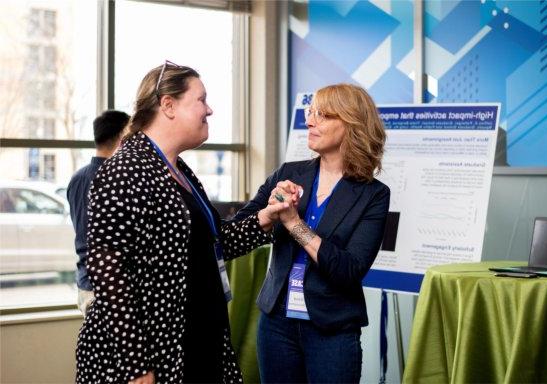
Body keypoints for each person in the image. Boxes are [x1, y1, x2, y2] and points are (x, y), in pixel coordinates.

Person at [75, 61, 288, 384]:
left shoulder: (179, 171)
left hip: (196, 343)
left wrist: (265, 218)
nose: (210, 109)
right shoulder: (125, 170)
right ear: (168, 105)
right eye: (201, 99)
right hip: (151, 357)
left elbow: (213, 245)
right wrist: (136, 366)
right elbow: (108, 270)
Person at [235, 83, 391, 383]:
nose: (309, 121)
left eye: (322, 115)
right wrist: (269, 212)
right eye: (311, 112)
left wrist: (294, 223)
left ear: (351, 124)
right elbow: (236, 230)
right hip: (276, 323)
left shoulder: (373, 195)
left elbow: (348, 270)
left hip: (331, 330)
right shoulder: (288, 175)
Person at [66, 109, 130, 316]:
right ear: (122, 135)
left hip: (86, 284)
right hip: (110, 288)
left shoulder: (77, 178)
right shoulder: (116, 179)